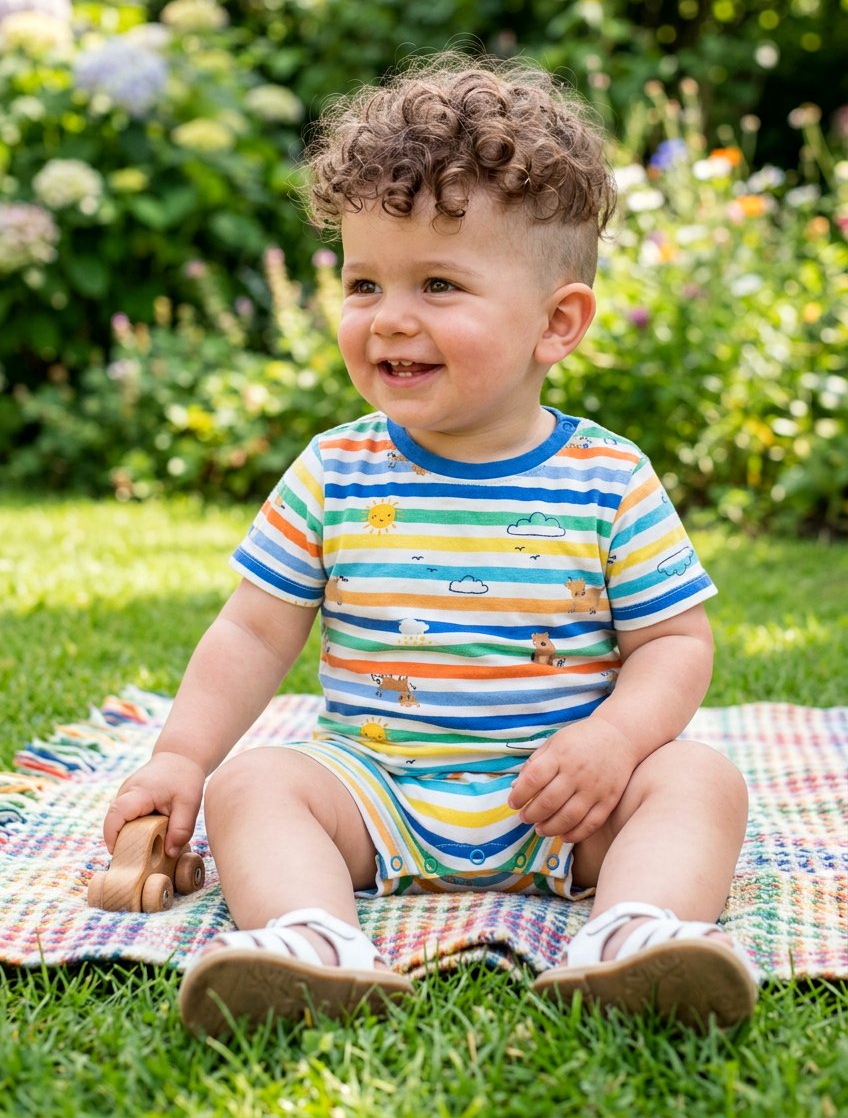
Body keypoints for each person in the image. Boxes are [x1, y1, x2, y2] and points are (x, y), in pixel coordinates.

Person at [102, 53, 758, 1035]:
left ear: (556, 323)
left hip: (564, 796)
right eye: (363, 281)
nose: (388, 317)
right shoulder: (334, 472)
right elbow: (251, 633)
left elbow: (673, 641)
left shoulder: (606, 478)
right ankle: (311, 943)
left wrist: (614, 742)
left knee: (697, 778)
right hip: (374, 787)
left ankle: (632, 934)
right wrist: (182, 756)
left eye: (438, 283)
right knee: (257, 784)